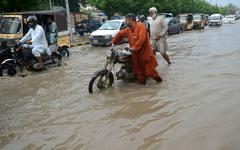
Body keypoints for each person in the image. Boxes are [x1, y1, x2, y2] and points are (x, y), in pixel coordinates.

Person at [112, 13, 163, 85]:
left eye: (126, 20)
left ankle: (160, 83)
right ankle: (142, 90)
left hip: (145, 55)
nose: (125, 22)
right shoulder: (128, 30)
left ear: (131, 20)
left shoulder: (141, 26)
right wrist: (113, 42)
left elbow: (142, 39)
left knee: (152, 73)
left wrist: (134, 48)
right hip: (135, 56)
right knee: (139, 74)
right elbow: (120, 34)